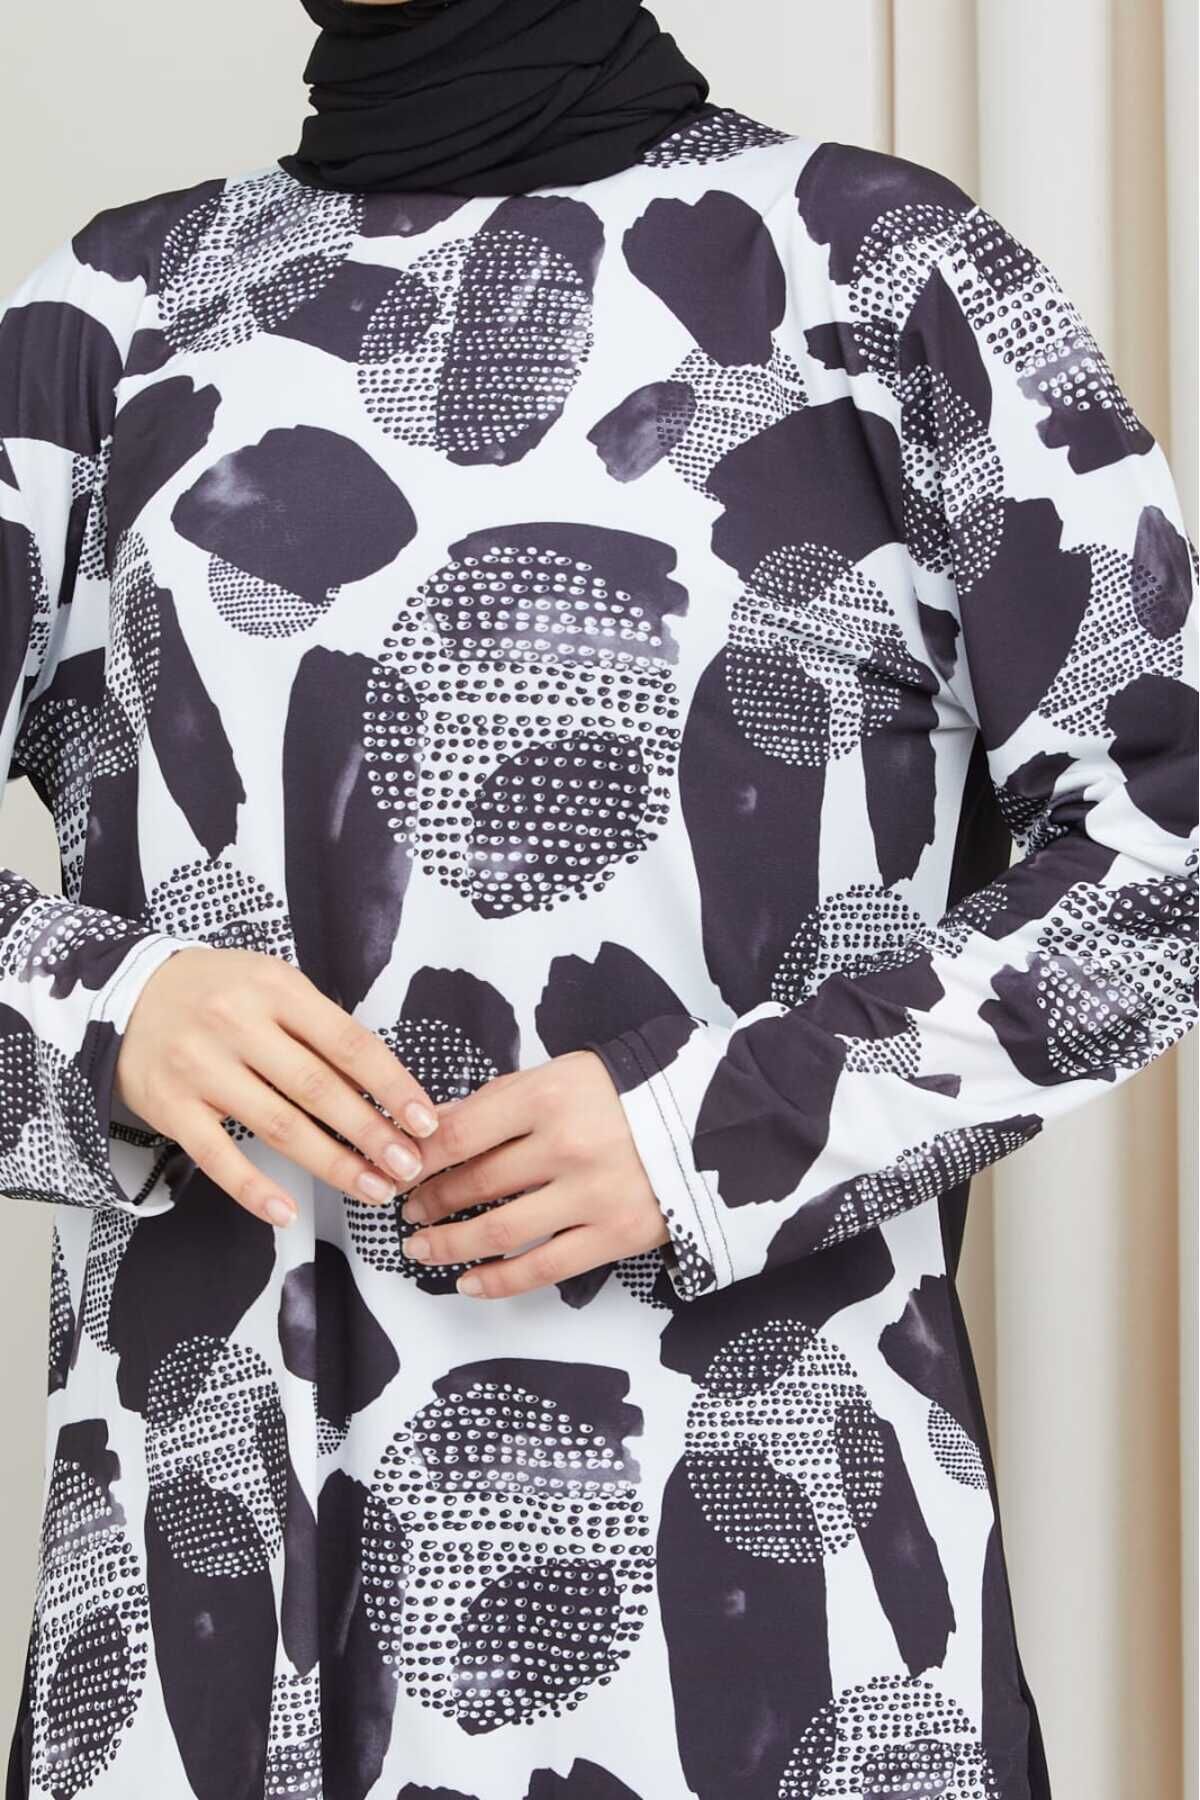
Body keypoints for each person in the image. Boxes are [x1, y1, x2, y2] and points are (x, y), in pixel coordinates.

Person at [1, 0, 1196, 1794]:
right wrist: (104, 1013)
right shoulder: (103, 325)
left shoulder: (881, 271)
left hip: (778, 1589)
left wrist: (721, 1129)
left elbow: (1164, 832)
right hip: (215, 1584)